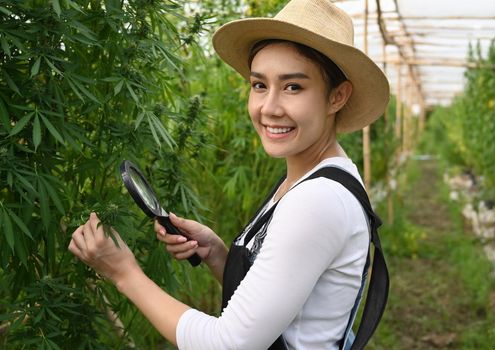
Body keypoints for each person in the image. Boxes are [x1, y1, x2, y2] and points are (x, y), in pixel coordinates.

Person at [68, 0, 389, 348]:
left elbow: (228, 343)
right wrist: (218, 254)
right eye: (259, 85)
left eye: (293, 87)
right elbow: (280, 306)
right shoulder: (313, 178)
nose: (269, 108)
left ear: (337, 97)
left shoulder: (317, 200)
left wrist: (123, 273)